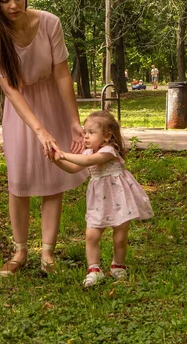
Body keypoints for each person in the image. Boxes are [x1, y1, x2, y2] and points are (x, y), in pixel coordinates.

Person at [0, 0, 87, 277]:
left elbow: (61, 73)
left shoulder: (49, 23)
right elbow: (11, 91)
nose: (14, 5)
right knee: (19, 181)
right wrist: (39, 130)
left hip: (52, 103)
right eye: (6, 0)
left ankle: (47, 253)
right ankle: (19, 251)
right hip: (21, 112)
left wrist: (73, 121)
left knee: (51, 178)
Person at [53, 110, 154, 287]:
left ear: (107, 136)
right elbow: (72, 168)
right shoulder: (88, 152)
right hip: (99, 199)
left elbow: (87, 162)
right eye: (85, 132)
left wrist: (62, 153)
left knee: (120, 236)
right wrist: (56, 160)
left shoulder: (109, 150)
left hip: (119, 198)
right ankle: (94, 270)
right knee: (91, 235)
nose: (85, 137)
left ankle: (118, 267)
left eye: (91, 133)